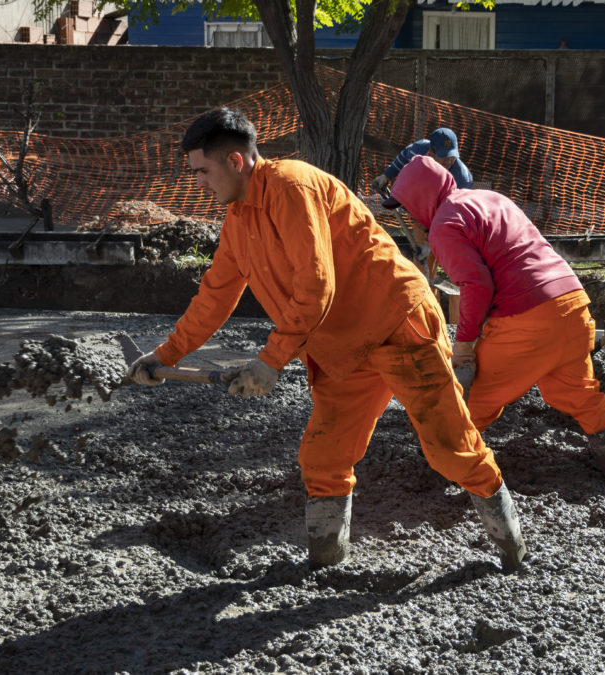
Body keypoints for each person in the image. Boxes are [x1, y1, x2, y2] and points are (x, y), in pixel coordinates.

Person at [126, 107, 527, 571]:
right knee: (322, 456)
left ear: (235, 162)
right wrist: (164, 355)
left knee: (449, 448)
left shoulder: (292, 187)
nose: (199, 183)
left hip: (398, 325)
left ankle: (513, 550)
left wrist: (271, 359)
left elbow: (317, 285)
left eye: (202, 172)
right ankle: (325, 564)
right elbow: (214, 297)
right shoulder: (240, 219)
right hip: (343, 349)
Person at [383, 155, 605, 480]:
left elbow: (475, 285)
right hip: (571, 304)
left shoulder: (444, 224)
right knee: (581, 394)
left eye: (407, 208)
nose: (408, 218)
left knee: (471, 403)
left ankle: (445, 477)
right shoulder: (490, 198)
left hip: (528, 318)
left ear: (420, 199)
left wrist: (464, 346)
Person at [371, 127, 473, 195]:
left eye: (452, 156)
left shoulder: (463, 179)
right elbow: (402, 160)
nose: (449, 161)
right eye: (444, 156)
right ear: (430, 152)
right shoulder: (418, 149)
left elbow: (454, 209)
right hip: (413, 194)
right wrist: (387, 176)